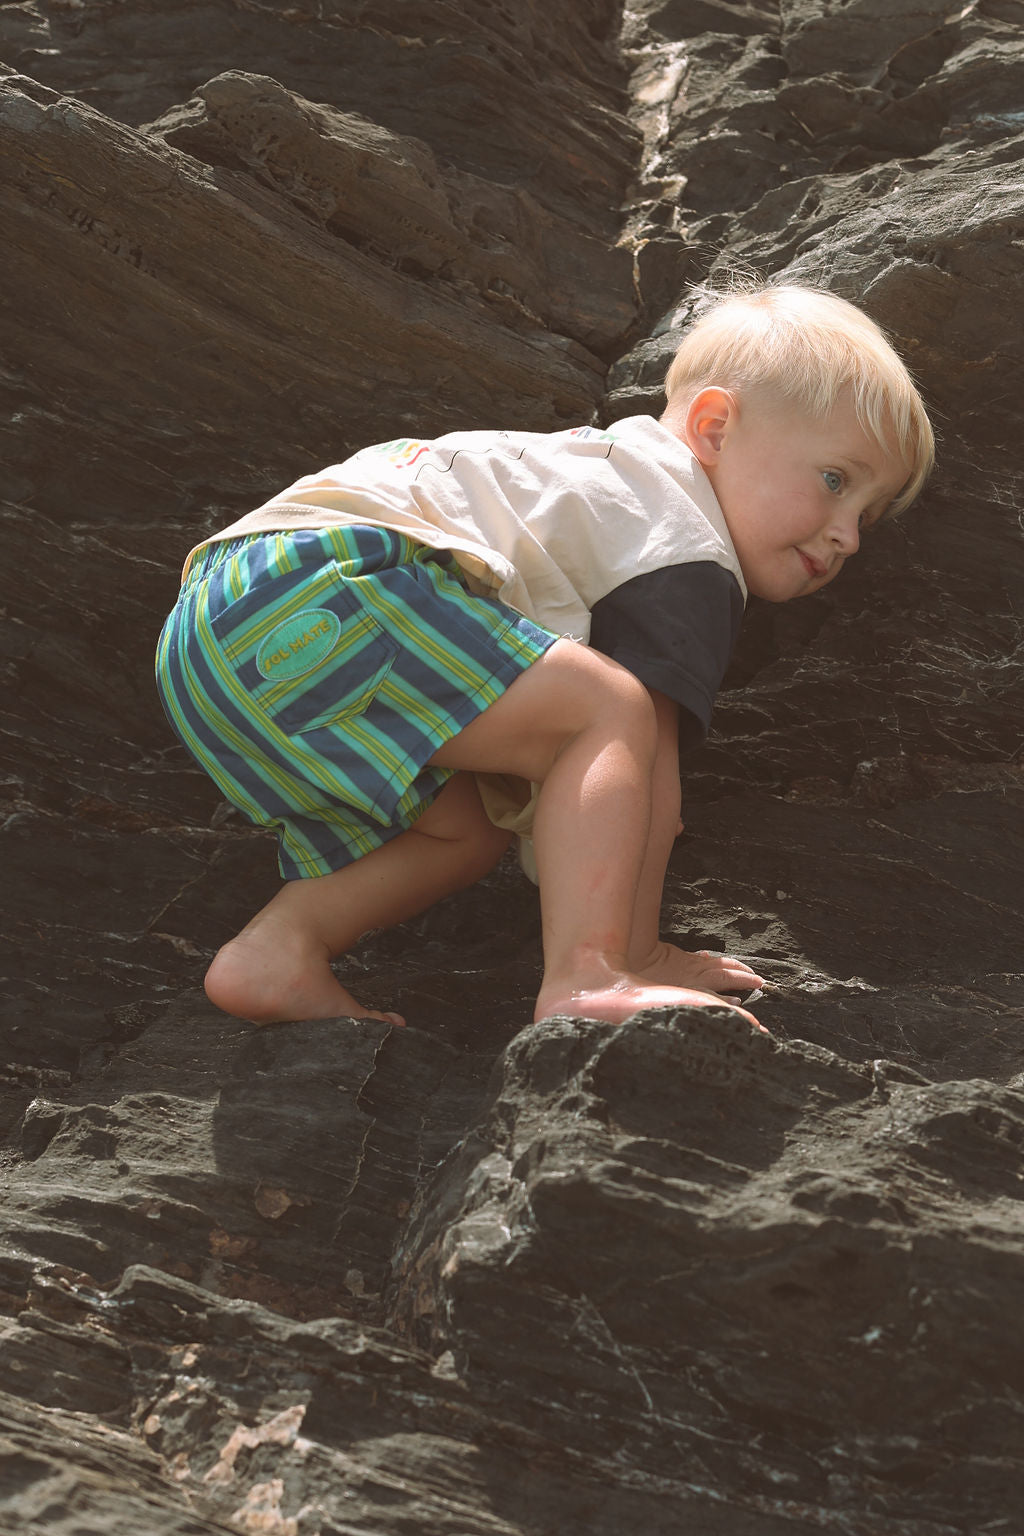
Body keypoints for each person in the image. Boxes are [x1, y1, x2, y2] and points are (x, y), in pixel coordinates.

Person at [155, 282, 934, 1031]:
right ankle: (588, 976)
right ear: (714, 429)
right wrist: (643, 952)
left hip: (214, 633)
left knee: (464, 829)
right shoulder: (682, 537)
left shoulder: (591, 469)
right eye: (834, 481)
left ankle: (276, 951)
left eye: (867, 512)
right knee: (612, 708)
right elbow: (642, 763)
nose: (847, 534)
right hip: (328, 587)